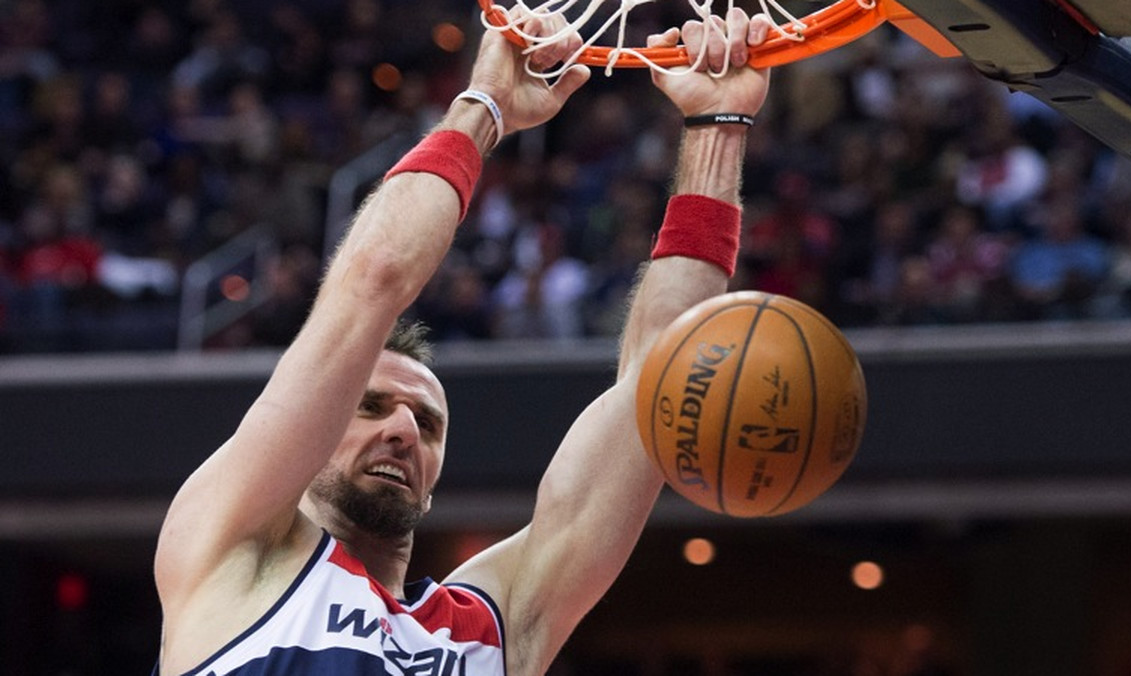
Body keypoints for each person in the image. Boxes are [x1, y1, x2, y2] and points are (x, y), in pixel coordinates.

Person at [152, 9, 771, 676]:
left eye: (426, 422)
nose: (402, 431)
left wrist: (717, 129)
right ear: (314, 421)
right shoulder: (229, 548)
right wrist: (487, 107)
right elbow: (374, 277)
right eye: (370, 405)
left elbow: (664, 382)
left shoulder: (491, 627)